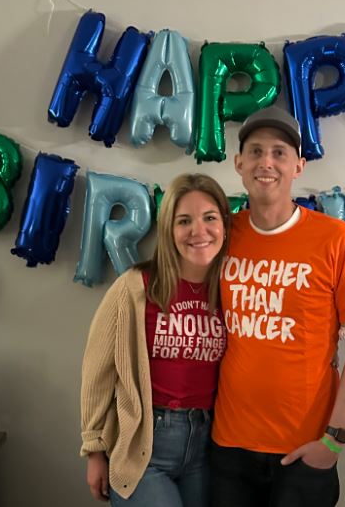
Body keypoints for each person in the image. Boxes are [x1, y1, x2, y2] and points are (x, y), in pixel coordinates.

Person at [210, 106, 345, 507]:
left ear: (298, 166)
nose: (265, 162)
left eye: (279, 152)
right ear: (238, 163)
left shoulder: (336, 240)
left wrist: (334, 442)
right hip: (228, 446)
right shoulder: (221, 234)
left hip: (305, 450)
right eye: (255, 152)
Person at [80, 173, 231, 507]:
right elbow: (97, 371)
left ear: (224, 224)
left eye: (209, 218)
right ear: (168, 229)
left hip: (209, 444)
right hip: (146, 445)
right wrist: (94, 449)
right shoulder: (135, 287)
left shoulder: (231, 290)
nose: (198, 231)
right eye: (184, 221)